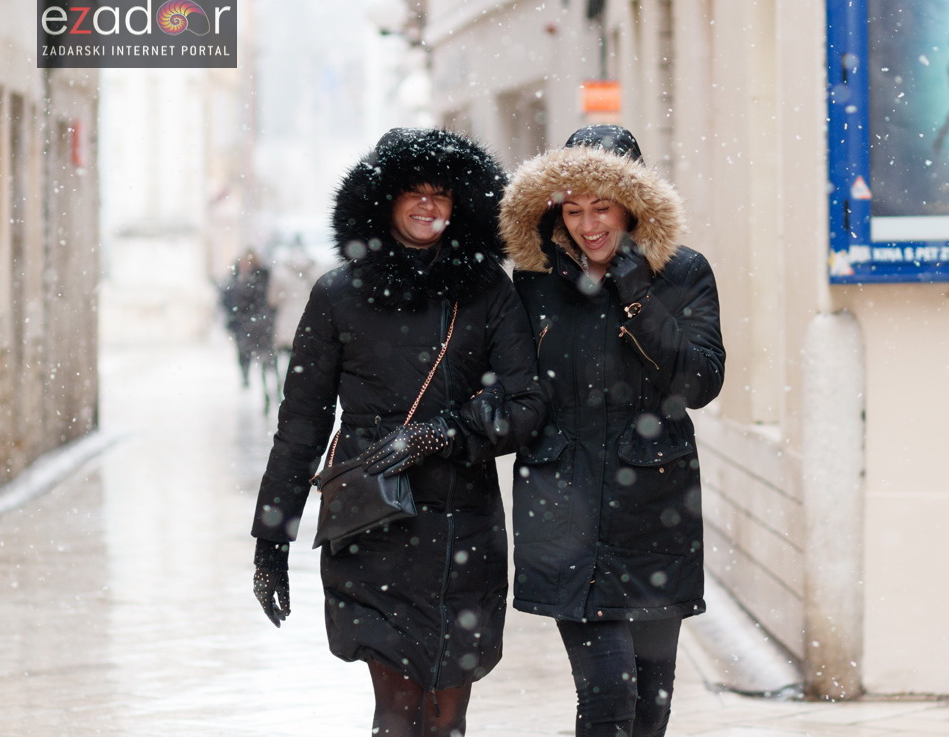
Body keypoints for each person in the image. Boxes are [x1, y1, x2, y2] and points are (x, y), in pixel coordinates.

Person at [250, 128, 547, 736]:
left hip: (463, 524)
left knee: (446, 720)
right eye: (412, 192)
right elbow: (302, 425)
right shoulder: (338, 294)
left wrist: (443, 433)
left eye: (440, 193)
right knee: (397, 714)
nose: (427, 205)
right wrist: (271, 538)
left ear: (460, 202)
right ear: (383, 200)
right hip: (374, 525)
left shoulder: (487, 290)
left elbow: (524, 403)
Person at [498, 124, 725, 737]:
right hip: (563, 512)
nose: (587, 224)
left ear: (634, 204)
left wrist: (636, 299)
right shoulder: (535, 283)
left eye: (602, 207)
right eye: (572, 210)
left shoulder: (683, 274)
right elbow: (508, 384)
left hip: (654, 515)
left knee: (650, 710)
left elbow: (700, 382)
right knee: (608, 697)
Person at [220, 248, 278, 398]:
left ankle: (268, 381)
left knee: (264, 353)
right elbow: (227, 298)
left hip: (259, 322)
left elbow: (268, 299)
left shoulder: (261, 277)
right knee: (243, 351)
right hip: (241, 321)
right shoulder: (235, 278)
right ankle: (245, 375)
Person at [266, 236, 317, 366]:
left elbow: (273, 301)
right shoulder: (315, 271)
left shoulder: (280, 272)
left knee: (288, 356)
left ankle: (289, 380)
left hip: (286, 321)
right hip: (309, 322)